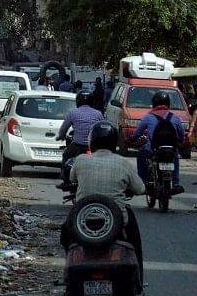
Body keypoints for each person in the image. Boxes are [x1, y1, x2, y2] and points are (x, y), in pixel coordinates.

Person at [61, 121, 146, 286]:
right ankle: (138, 282)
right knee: (135, 241)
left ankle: (68, 271)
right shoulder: (123, 162)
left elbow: (72, 179)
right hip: (118, 221)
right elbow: (140, 188)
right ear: (115, 142)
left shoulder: (81, 160)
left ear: (91, 141)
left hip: (82, 220)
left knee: (65, 233)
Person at [132, 91, 186, 195]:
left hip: (152, 149)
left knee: (140, 155)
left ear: (154, 103)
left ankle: (142, 183)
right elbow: (182, 136)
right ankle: (175, 183)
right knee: (175, 158)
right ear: (168, 103)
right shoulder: (175, 117)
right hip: (171, 150)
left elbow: (137, 134)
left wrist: (133, 139)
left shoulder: (148, 117)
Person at [56, 89, 105, 184]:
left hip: (77, 145)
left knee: (66, 155)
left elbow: (64, 128)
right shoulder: (98, 114)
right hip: (93, 146)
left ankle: (65, 180)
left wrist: (61, 136)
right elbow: (102, 127)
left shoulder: (73, 113)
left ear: (78, 101)